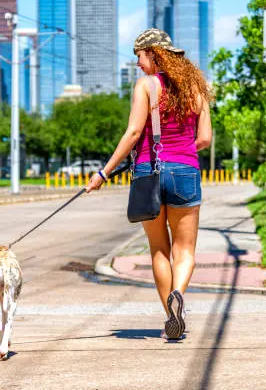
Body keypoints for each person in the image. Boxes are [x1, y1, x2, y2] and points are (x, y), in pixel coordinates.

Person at [86, 28, 212, 340]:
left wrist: (103, 173)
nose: (139, 64)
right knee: (185, 251)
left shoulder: (145, 86)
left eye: (140, 56)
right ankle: (178, 295)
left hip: (148, 172)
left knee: (159, 249)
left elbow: (132, 134)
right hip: (185, 171)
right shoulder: (196, 86)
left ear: (153, 54)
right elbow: (205, 139)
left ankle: (170, 315)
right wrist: (179, 155)